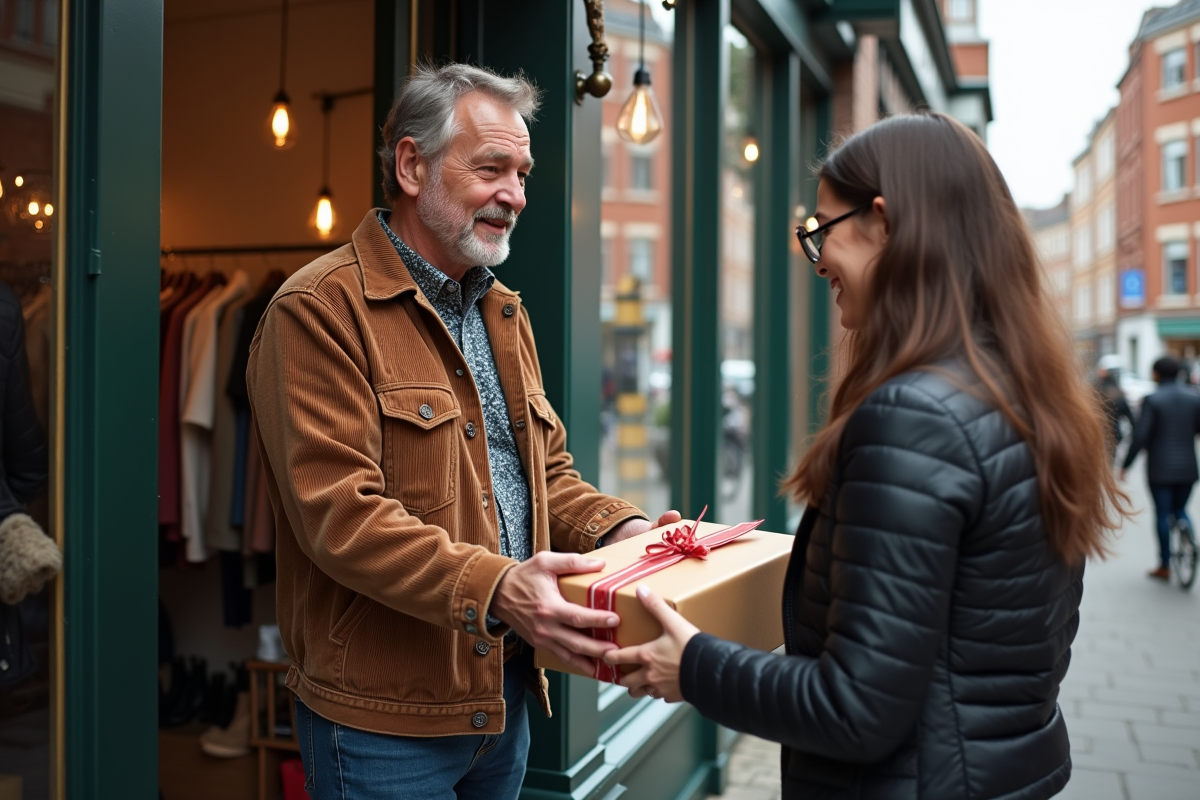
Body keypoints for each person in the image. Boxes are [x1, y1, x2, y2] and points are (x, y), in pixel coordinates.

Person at [604, 113, 1127, 800]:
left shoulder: (914, 418)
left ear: (883, 222)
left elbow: (857, 711)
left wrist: (694, 665)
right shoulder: (1028, 397)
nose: (818, 261)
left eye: (822, 230)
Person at [246, 64, 678, 800]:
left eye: (522, 172)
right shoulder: (317, 310)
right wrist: (502, 587)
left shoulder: (503, 312)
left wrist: (628, 533)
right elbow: (340, 516)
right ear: (412, 166)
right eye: (491, 169)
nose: (515, 195)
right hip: (381, 725)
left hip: (503, 700)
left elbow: (546, 474)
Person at [1119, 356, 1200, 579]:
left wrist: (1126, 465)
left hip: (1160, 469)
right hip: (1188, 468)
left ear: (1156, 374)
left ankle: (1164, 565)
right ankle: (1190, 543)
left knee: (1163, 514)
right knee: (1180, 509)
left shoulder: (1153, 400)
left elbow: (1141, 435)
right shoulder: (1194, 398)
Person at [1095, 355, 1134, 459]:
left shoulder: (1096, 391)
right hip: (1113, 435)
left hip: (1098, 435)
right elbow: (1131, 418)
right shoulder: (1119, 393)